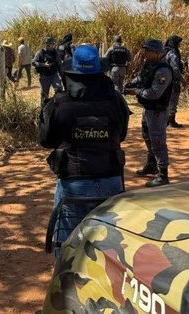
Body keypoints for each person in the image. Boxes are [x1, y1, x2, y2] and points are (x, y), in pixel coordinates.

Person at [39, 45, 129, 255]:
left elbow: (46, 140)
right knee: (110, 244)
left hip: (74, 182)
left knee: (67, 244)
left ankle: (66, 285)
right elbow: (121, 135)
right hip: (111, 178)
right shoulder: (116, 100)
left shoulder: (60, 103)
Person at [124, 40, 173, 186]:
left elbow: (154, 93)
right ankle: (151, 165)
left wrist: (135, 91)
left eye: (148, 51)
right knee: (147, 136)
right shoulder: (149, 64)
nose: (145, 53)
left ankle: (163, 175)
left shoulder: (163, 70)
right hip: (148, 109)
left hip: (157, 111)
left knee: (158, 141)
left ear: (157, 53)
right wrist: (131, 83)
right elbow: (141, 77)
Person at [33, 37, 64, 106]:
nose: (53, 45)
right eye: (51, 44)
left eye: (53, 44)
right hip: (44, 76)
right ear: (47, 44)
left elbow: (60, 65)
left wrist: (62, 76)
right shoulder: (40, 52)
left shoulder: (56, 53)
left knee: (59, 90)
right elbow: (34, 62)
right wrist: (43, 65)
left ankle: (58, 107)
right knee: (44, 95)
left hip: (54, 75)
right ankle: (43, 109)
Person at [164, 35, 186, 128]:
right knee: (173, 100)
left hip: (164, 80)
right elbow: (175, 69)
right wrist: (183, 79)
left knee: (167, 100)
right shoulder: (173, 54)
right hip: (173, 81)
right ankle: (171, 121)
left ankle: (166, 121)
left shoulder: (164, 52)